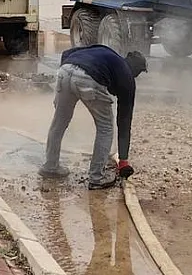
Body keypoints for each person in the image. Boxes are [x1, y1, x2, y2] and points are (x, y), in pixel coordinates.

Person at [39, 45, 146, 190]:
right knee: (106, 127)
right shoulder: (127, 75)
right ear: (136, 69)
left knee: (59, 121)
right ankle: (97, 178)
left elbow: (67, 53)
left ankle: (50, 167)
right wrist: (123, 161)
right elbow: (124, 121)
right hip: (88, 78)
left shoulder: (107, 54)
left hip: (65, 70)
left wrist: (64, 86)